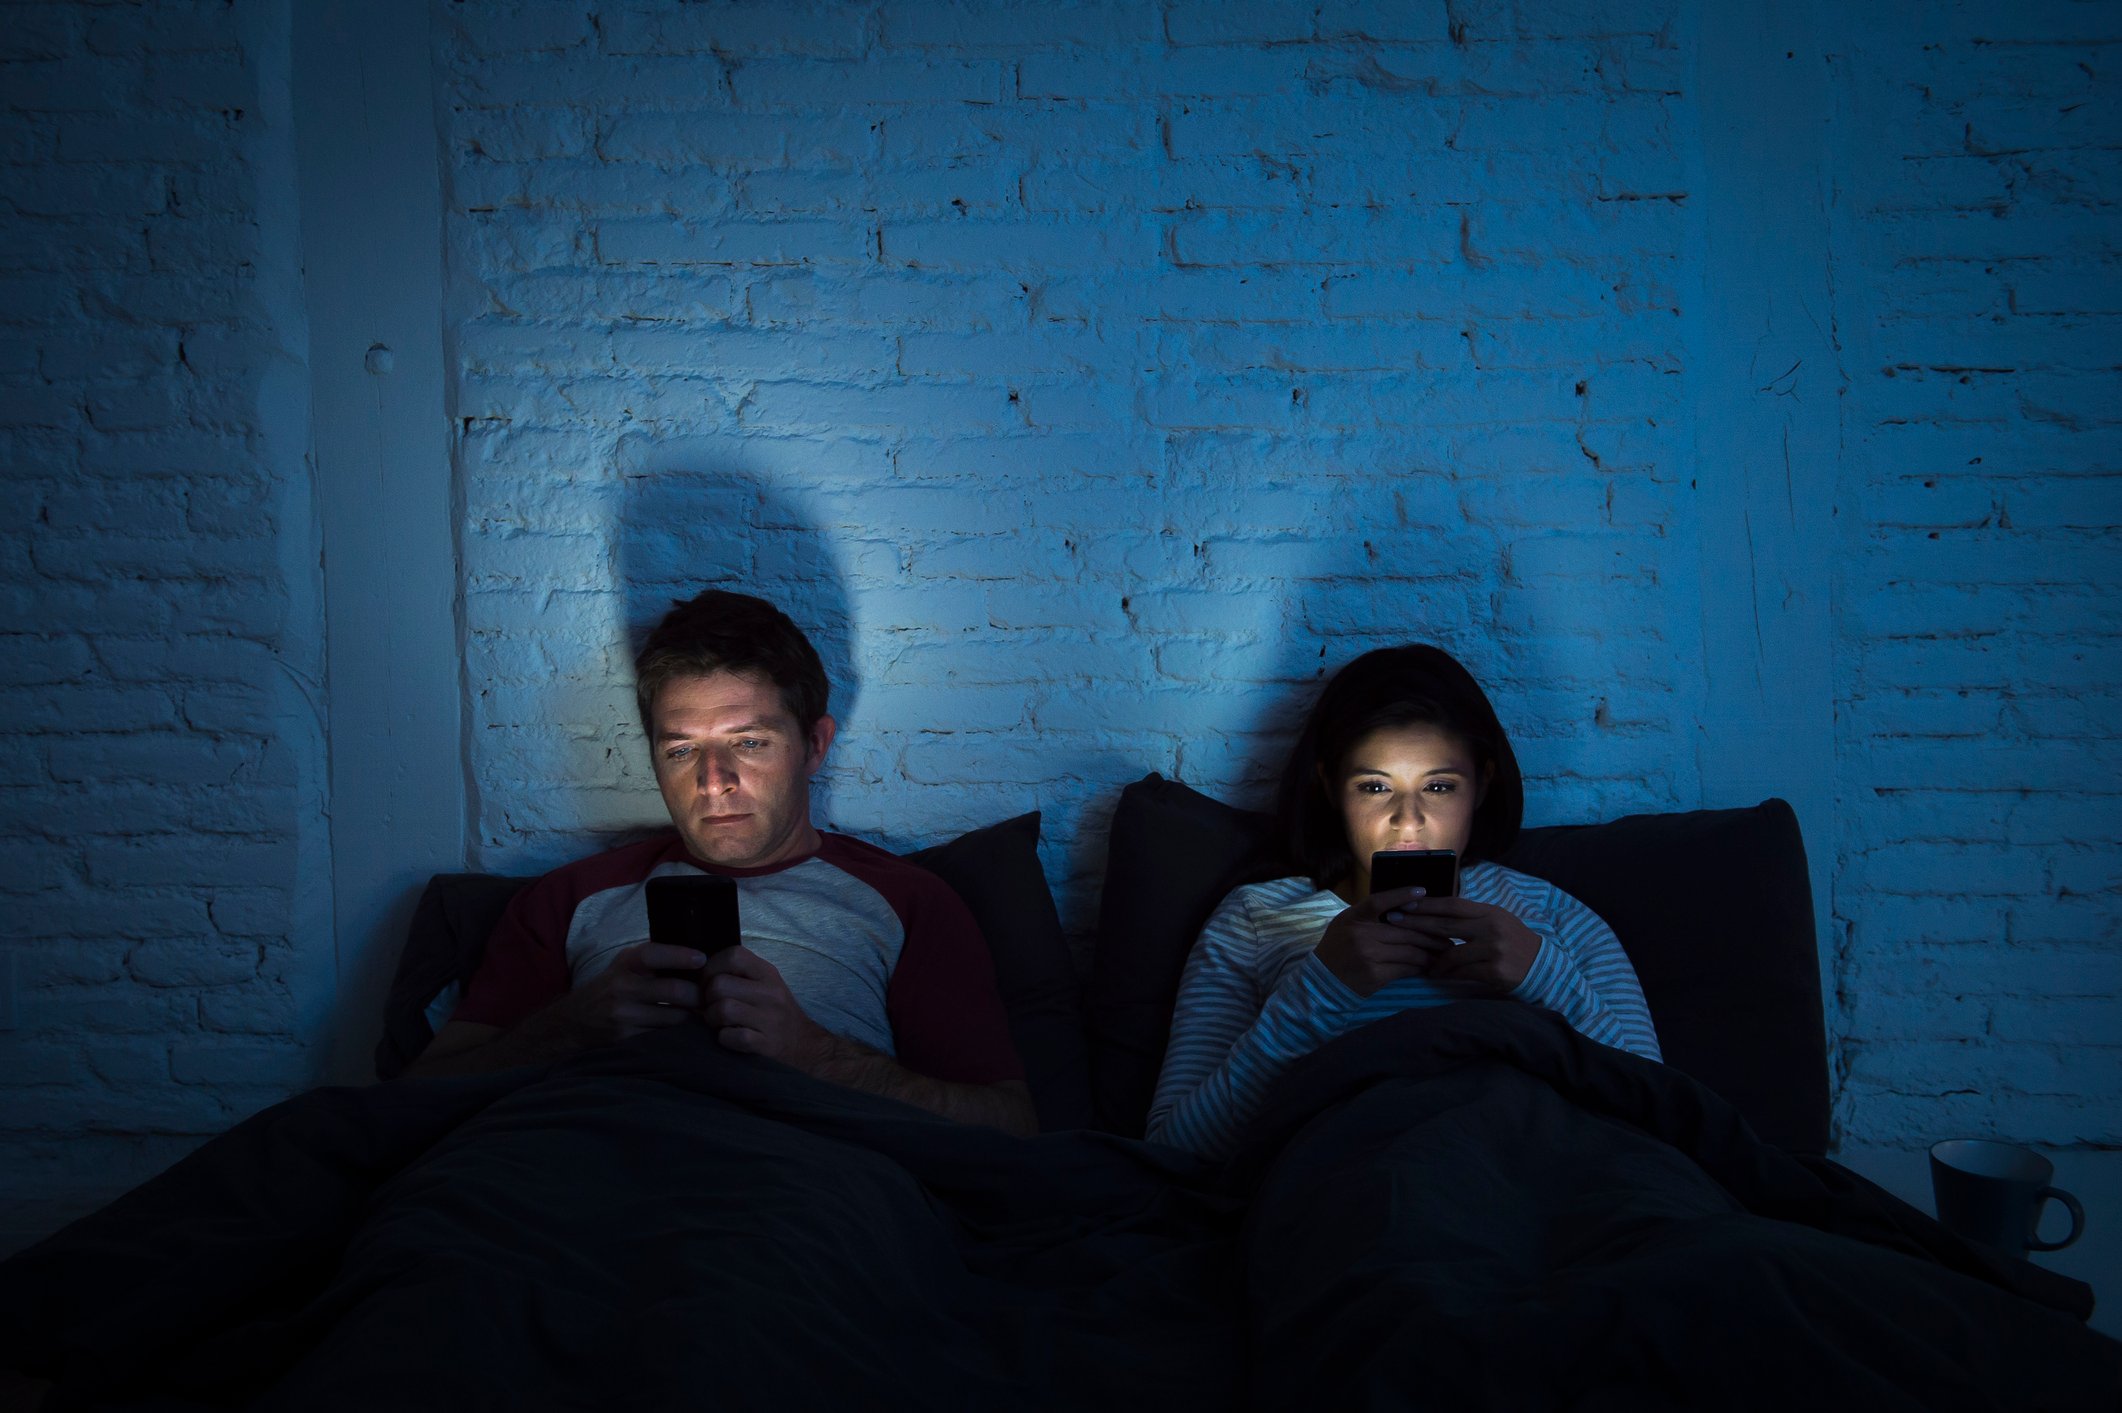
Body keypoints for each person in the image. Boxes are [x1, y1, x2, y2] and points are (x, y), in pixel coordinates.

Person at [404, 590, 1036, 1137]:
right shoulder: (571, 897)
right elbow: (414, 1094)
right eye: (682, 750)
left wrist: (813, 1054)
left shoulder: (907, 902)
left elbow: (1011, 1126)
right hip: (584, 1167)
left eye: (750, 744)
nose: (713, 782)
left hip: (806, 1186)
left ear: (813, 746)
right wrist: (570, 1029)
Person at [1147, 644, 1661, 1158]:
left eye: (1439, 786)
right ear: (1329, 787)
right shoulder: (1255, 921)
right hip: (1356, 1185)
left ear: (1483, 784)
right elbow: (1174, 1149)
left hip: (1536, 1177)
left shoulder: (1554, 918)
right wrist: (1321, 990)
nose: (1408, 821)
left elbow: (1666, 1119)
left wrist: (1543, 976)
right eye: (1374, 787)